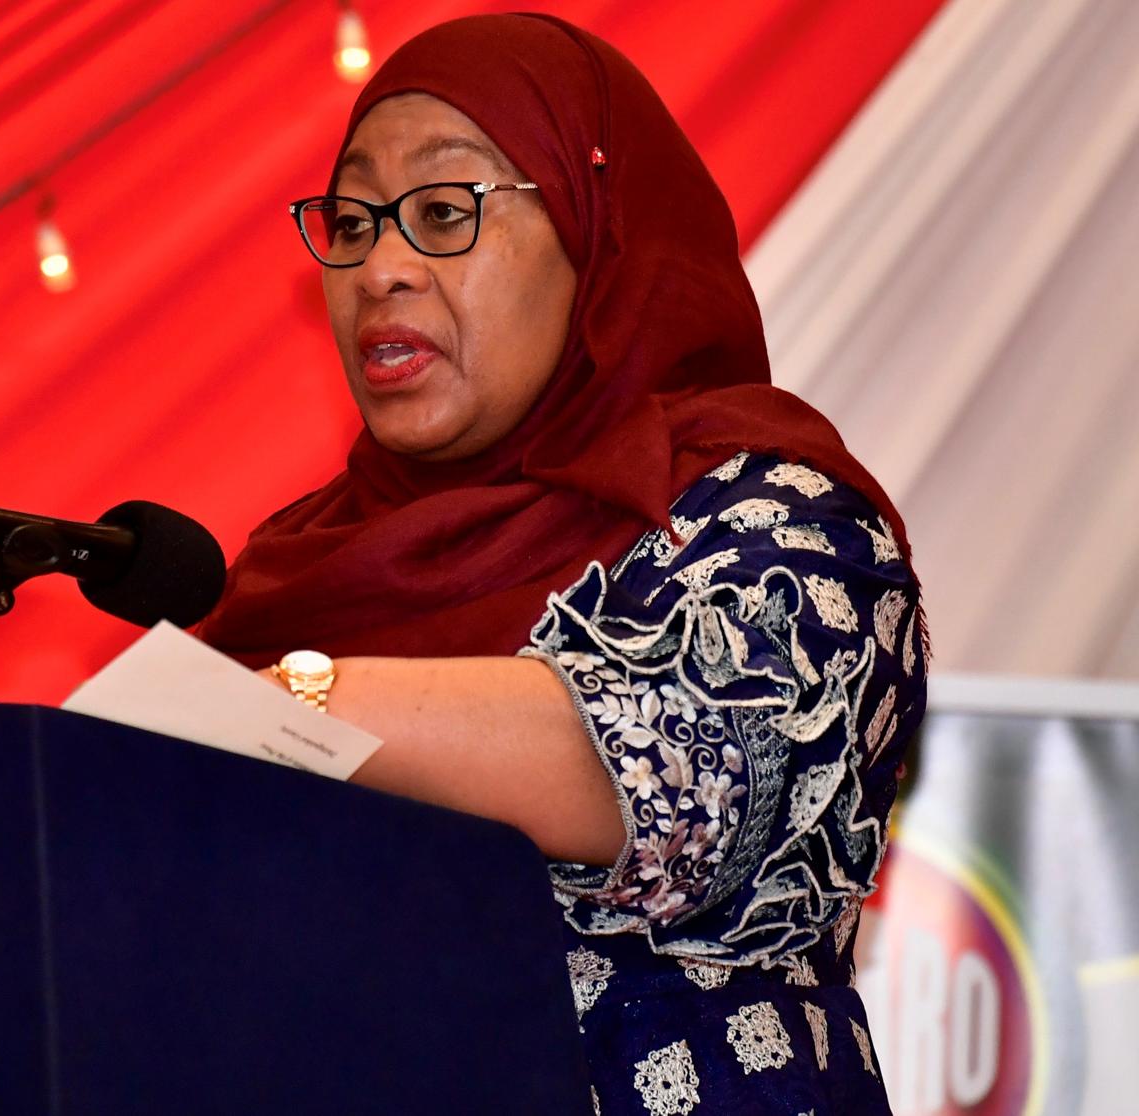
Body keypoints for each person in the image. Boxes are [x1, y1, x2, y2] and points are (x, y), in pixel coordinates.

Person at [196, 14, 923, 1115]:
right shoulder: (303, 565)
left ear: (598, 231)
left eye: (444, 213)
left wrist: (294, 704)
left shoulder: (776, 527)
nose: (380, 269)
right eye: (352, 221)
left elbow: (688, 774)